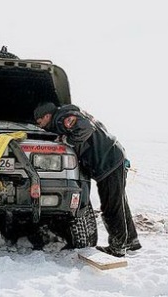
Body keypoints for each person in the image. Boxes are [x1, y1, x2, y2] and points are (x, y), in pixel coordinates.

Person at [33, 102, 141, 257]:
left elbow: (86, 129)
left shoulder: (62, 117)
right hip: (113, 156)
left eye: (40, 121)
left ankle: (118, 247)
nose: (40, 125)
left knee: (111, 206)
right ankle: (131, 241)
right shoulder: (67, 114)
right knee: (119, 202)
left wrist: (66, 141)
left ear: (47, 116)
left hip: (107, 161)